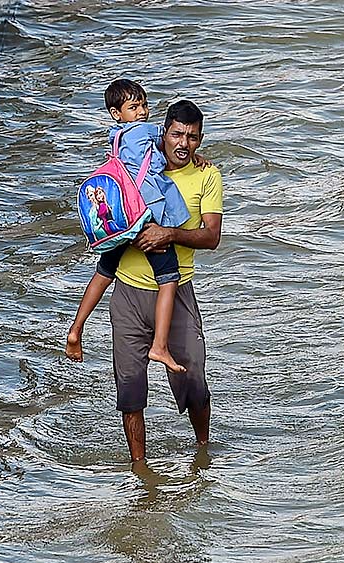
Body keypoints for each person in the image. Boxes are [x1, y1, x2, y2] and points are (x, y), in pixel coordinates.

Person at [101, 99, 222, 461]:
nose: (184, 144)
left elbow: (212, 236)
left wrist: (168, 234)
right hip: (128, 292)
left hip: (178, 291)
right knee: (130, 390)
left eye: (193, 138)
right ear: (162, 132)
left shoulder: (207, 176)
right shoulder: (133, 164)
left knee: (195, 380)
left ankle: (203, 453)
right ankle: (140, 470)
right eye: (177, 134)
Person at [67, 79, 195, 374]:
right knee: (168, 277)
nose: (142, 112)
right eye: (134, 107)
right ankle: (160, 346)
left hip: (121, 219)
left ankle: (76, 328)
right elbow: (172, 143)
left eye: (144, 105)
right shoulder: (144, 132)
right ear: (116, 112)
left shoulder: (116, 137)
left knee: (105, 270)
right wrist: (194, 154)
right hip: (143, 215)